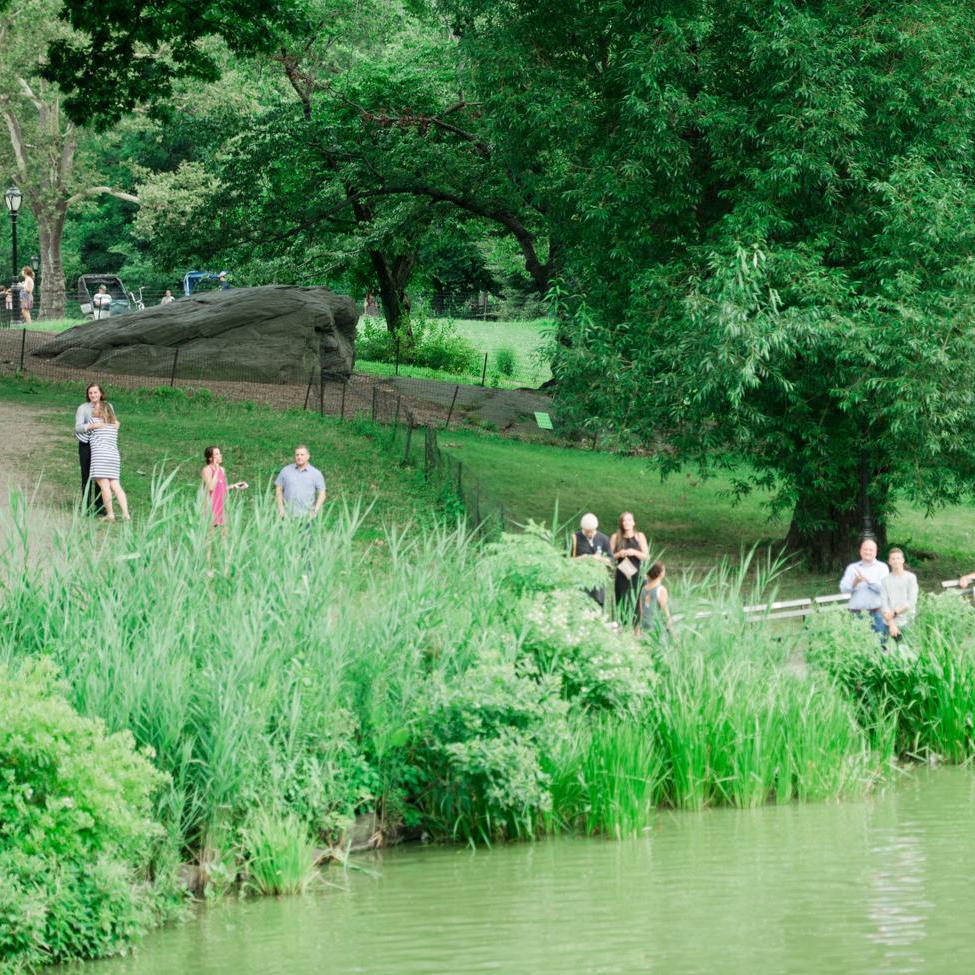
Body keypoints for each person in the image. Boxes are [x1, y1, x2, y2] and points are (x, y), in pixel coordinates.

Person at [87, 401, 129, 521]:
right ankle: (126, 514)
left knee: (104, 486)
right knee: (116, 486)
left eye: (95, 408)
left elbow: (81, 434)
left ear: (101, 411)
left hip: (100, 457)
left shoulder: (93, 422)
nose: (92, 410)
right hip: (113, 457)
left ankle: (110, 514)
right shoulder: (114, 425)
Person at [839, 538, 889, 634]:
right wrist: (855, 583)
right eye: (865, 549)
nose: (867, 552)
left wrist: (869, 581)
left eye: (871, 550)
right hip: (856, 615)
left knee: (880, 646)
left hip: (877, 614)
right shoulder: (852, 568)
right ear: (860, 551)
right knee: (858, 646)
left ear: (875, 552)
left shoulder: (882, 567)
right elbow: (843, 589)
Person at [74, 382, 107, 513]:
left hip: (101, 444)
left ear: (101, 394)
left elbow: (112, 421)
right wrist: (92, 426)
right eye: (90, 393)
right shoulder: (82, 408)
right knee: (86, 475)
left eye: (95, 392)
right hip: (86, 445)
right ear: (88, 395)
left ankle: (100, 506)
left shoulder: (108, 406)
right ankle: (85, 506)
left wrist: (116, 423)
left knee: (100, 475)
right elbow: (78, 427)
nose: (93, 395)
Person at [610, 511, 649, 618]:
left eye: (629, 520)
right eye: (624, 520)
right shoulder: (616, 537)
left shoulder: (639, 536)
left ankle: (636, 630)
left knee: (636, 602)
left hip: (636, 574)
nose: (626, 522)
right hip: (622, 574)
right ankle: (621, 626)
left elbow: (646, 556)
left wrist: (634, 552)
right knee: (621, 600)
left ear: (633, 523)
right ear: (621, 523)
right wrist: (619, 554)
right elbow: (609, 557)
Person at [571, 512, 613, 606]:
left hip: (598, 582)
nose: (589, 533)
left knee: (597, 608)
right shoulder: (575, 538)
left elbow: (611, 560)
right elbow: (565, 561)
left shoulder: (603, 538)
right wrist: (581, 559)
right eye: (587, 531)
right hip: (581, 580)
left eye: (592, 531)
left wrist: (599, 559)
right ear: (582, 528)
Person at [201, 446, 247, 527]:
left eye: (219, 453)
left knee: (224, 535)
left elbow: (222, 488)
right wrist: (216, 469)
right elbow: (211, 488)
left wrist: (235, 486)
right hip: (210, 506)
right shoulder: (207, 470)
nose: (220, 455)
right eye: (217, 454)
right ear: (210, 458)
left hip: (221, 506)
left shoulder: (222, 470)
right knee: (210, 535)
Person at [275, 445, 326, 518]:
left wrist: (315, 510)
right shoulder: (286, 471)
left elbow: (322, 494)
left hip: (307, 517)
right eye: (297, 455)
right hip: (287, 516)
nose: (299, 457)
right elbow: (278, 489)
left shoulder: (316, 474)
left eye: (302, 455)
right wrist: (281, 508)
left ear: (308, 456)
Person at [880, 547, 918, 642]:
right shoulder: (885, 581)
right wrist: (892, 624)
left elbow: (911, 601)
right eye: (893, 559)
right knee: (887, 653)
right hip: (889, 623)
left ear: (903, 560)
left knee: (907, 652)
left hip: (907, 620)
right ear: (889, 562)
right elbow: (884, 604)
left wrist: (894, 612)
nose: (896, 561)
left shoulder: (911, 578)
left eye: (898, 558)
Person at [637, 561, 674, 638]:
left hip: (645, 628)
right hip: (657, 629)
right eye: (664, 570)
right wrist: (673, 634)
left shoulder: (643, 589)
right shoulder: (661, 590)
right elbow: (666, 614)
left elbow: (641, 612)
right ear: (660, 573)